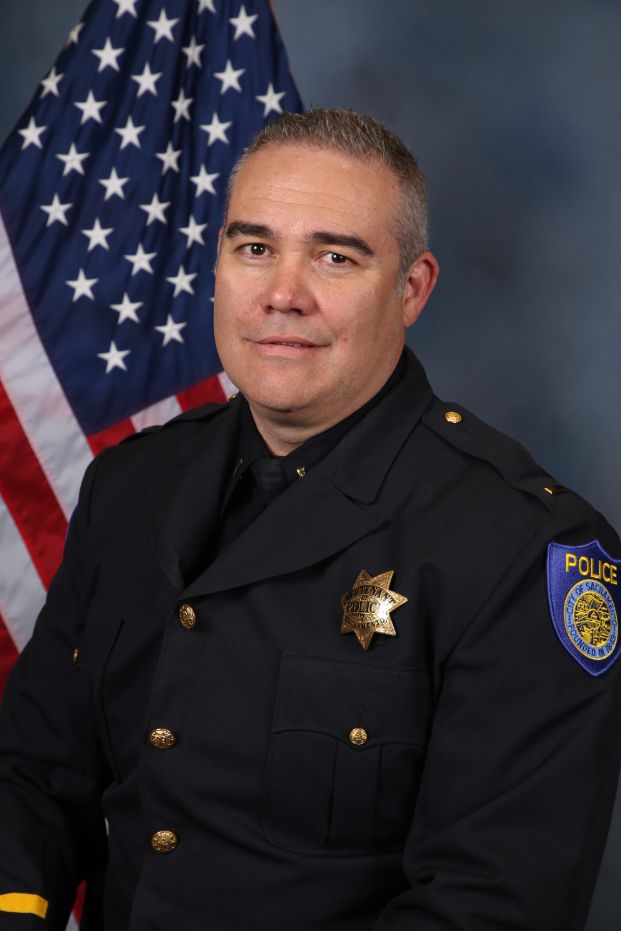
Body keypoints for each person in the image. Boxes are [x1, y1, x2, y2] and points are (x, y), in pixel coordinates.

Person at [1, 108, 620, 931]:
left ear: (412, 289)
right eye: (254, 248)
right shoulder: (132, 485)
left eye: (334, 256)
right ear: (218, 266)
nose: (282, 294)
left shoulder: (522, 551)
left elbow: (492, 905)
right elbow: (33, 775)